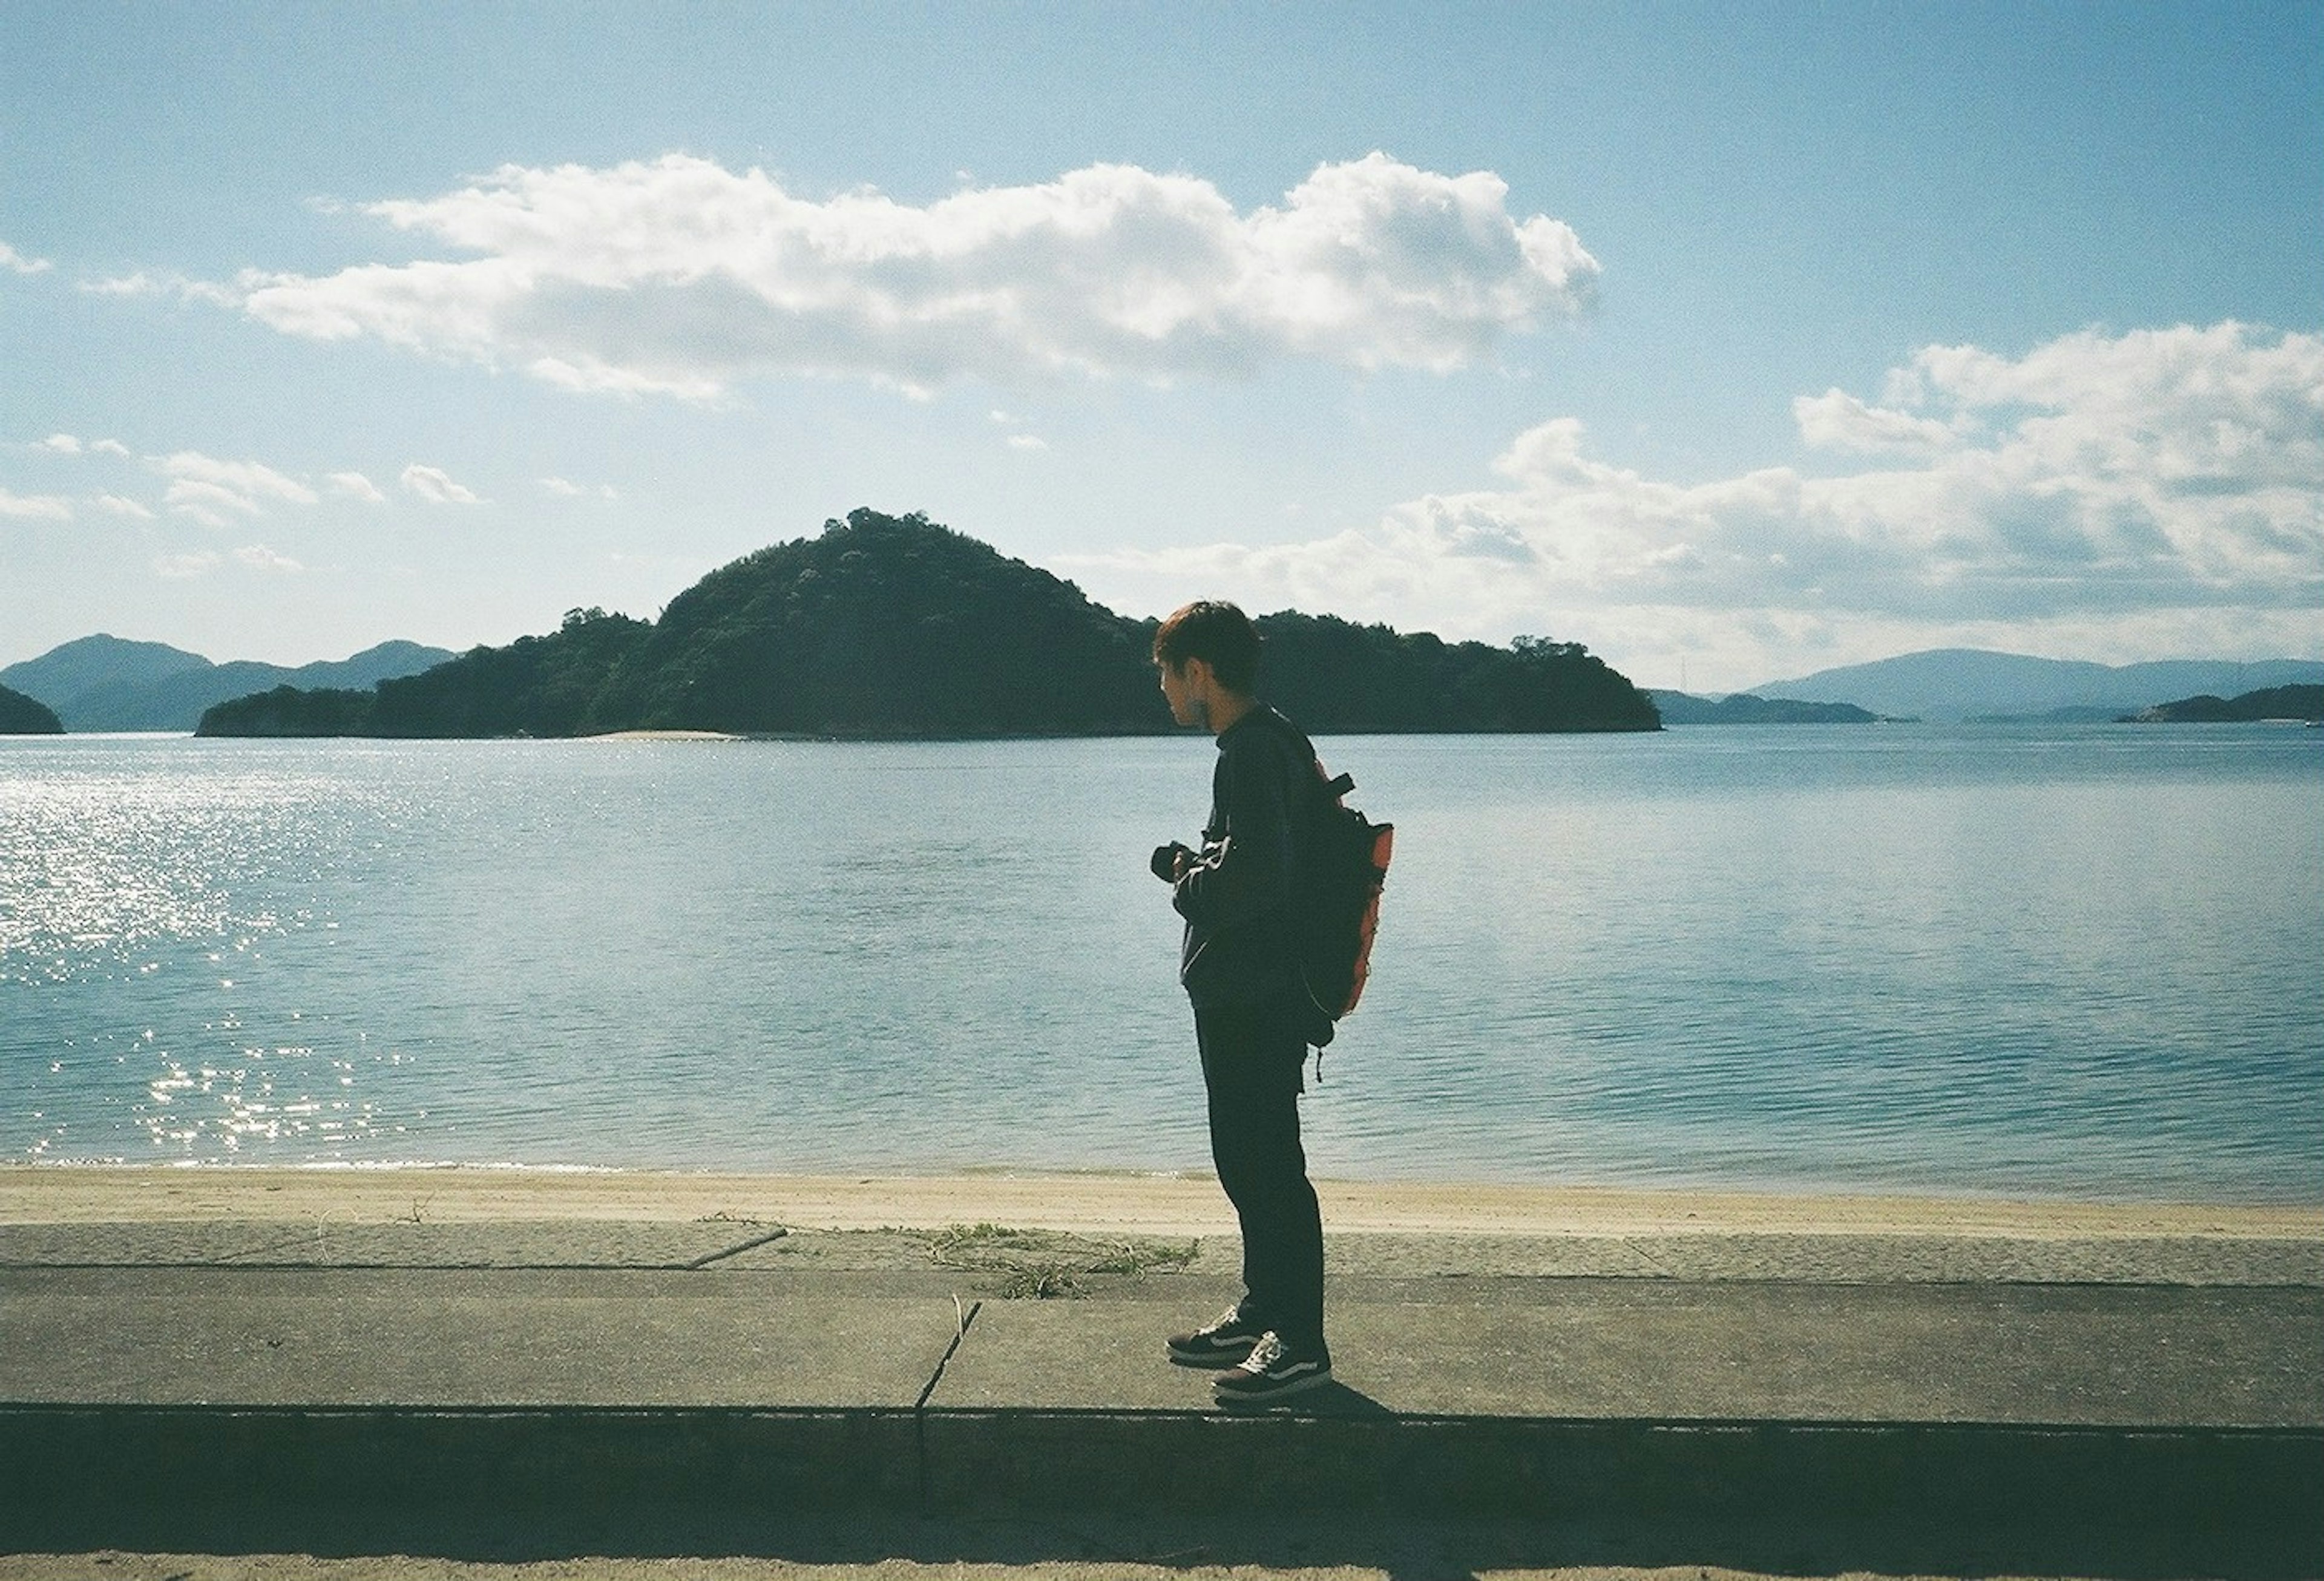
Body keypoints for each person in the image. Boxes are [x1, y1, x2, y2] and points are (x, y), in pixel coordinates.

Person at [1149, 600, 1333, 1405]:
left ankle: (1300, 1342)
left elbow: (1248, 882)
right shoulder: (1272, 741)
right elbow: (1264, 863)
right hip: (1261, 991)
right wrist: (1204, 865)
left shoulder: (1249, 754)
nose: (1163, 689)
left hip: (1254, 996)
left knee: (1267, 1167)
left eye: (1166, 673)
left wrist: (1183, 875)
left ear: (1199, 672)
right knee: (1249, 1160)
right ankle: (1264, 1311)